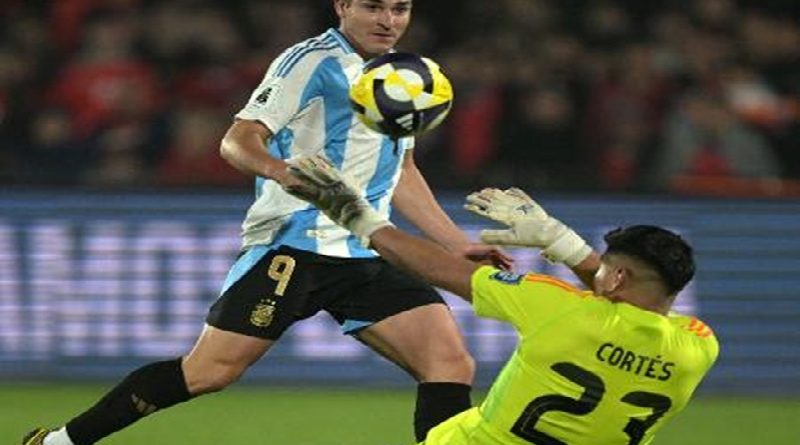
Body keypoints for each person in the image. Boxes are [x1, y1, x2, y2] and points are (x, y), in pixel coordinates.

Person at [22, 1, 511, 444]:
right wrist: (283, 171)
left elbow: (401, 170)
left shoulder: (403, 75)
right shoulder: (310, 61)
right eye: (373, 7)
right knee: (208, 373)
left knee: (448, 362)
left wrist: (452, 242)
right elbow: (237, 141)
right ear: (342, 6)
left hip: (366, 249)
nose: (388, 20)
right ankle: (60, 442)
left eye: (400, 9)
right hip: (293, 244)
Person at [283, 155, 720, 445]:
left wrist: (355, 215)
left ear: (619, 275)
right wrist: (563, 244)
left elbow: (442, 269)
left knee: (446, 370)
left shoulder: (561, 308)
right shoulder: (697, 348)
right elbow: (626, 301)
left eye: (605, 266)